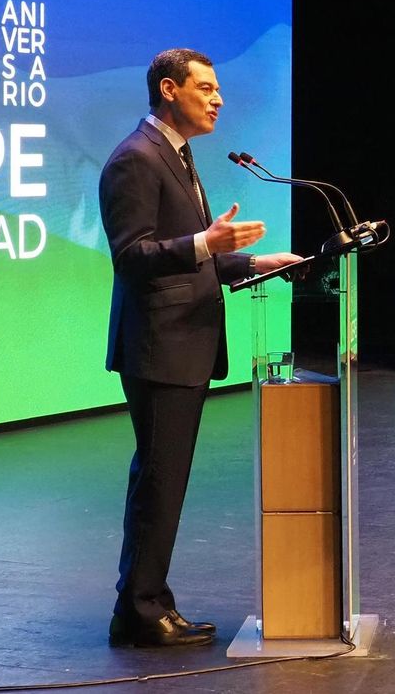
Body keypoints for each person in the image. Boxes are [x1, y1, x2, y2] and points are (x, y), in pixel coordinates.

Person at [100, 49, 300, 647]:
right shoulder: (136, 160)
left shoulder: (176, 156)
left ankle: (144, 602)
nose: (218, 99)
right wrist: (204, 243)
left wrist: (257, 261)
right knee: (159, 480)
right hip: (159, 347)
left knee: (163, 480)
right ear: (168, 89)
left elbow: (195, 254)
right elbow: (133, 257)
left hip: (181, 342)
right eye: (206, 88)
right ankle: (140, 610)